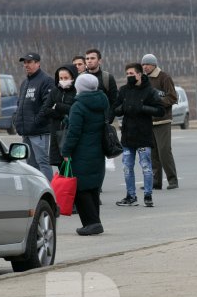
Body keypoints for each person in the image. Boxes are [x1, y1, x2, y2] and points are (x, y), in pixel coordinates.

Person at [112, 63, 165, 207]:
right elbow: (115, 109)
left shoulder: (150, 91)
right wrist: (122, 108)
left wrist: (143, 108)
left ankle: (148, 195)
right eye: (127, 74)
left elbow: (161, 110)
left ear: (139, 74)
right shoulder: (123, 90)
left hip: (144, 135)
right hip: (128, 135)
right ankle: (131, 196)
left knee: (146, 166)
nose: (129, 76)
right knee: (127, 167)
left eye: (132, 74)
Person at [61, 74, 107, 236]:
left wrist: (66, 151)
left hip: (81, 152)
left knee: (80, 188)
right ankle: (95, 221)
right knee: (93, 186)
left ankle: (91, 223)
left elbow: (74, 132)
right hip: (98, 150)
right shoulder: (102, 101)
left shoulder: (78, 106)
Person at [14, 52, 55, 180]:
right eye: (24, 63)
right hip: (26, 131)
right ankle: (37, 193)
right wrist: (16, 120)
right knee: (31, 165)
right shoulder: (25, 82)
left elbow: (48, 105)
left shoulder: (46, 80)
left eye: (29, 62)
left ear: (38, 63)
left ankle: (50, 193)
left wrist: (36, 121)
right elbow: (20, 104)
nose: (26, 65)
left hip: (39, 131)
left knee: (42, 162)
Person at [142, 53, 179, 190]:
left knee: (164, 151)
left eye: (147, 64)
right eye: (143, 64)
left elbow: (172, 97)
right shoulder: (143, 79)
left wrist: (157, 102)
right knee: (153, 153)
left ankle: (172, 179)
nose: (145, 67)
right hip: (148, 121)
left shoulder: (164, 77)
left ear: (154, 65)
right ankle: (156, 181)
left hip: (162, 120)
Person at [39, 64, 78, 168]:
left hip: (71, 133)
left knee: (73, 168)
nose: (63, 80)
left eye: (66, 78)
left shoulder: (77, 91)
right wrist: (62, 115)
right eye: (61, 78)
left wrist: (58, 106)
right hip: (56, 133)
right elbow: (45, 110)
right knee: (60, 167)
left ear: (73, 78)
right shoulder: (55, 91)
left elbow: (75, 110)